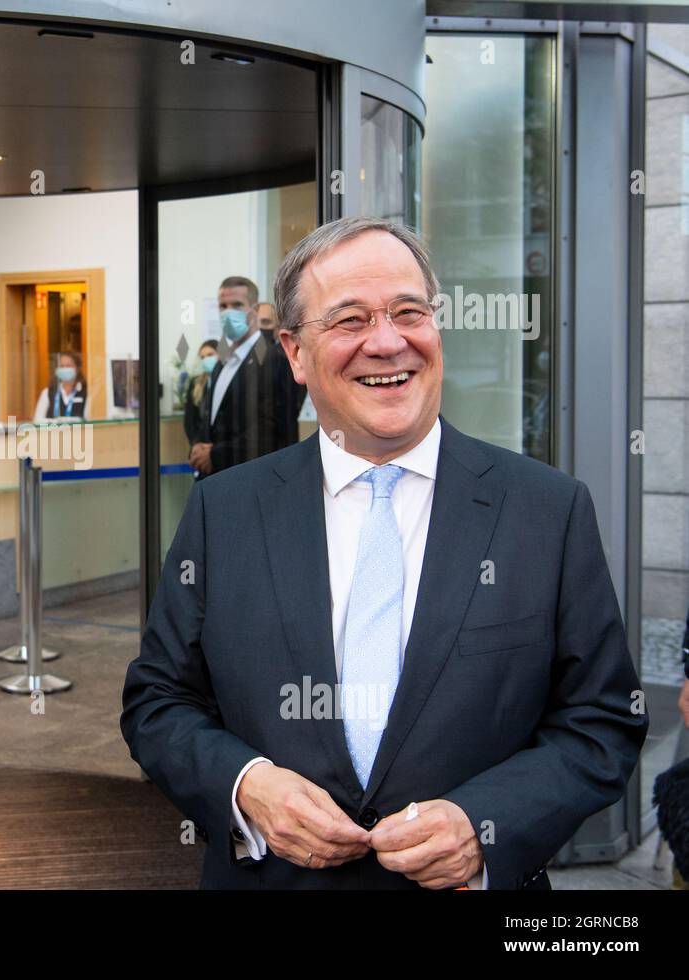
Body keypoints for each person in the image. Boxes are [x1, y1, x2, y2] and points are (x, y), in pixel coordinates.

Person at [122, 216, 648, 889]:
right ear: (295, 354)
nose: (388, 341)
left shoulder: (547, 511)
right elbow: (156, 701)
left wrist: (484, 824)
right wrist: (246, 786)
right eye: (349, 320)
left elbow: (602, 720)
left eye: (409, 312)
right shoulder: (225, 511)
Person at [190, 280, 303, 477]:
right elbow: (212, 418)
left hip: (252, 480)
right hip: (214, 480)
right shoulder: (221, 363)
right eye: (223, 306)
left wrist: (215, 455)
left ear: (255, 309)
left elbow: (272, 429)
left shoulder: (274, 359)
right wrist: (198, 446)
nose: (228, 313)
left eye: (237, 305)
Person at [183, 340, 219, 447]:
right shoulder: (195, 383)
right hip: (200, 445)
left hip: (221, 447)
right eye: (202, 357)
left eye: (210, 355)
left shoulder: (229, 381)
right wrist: (196, 444)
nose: (206, 360)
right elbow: (189, 421)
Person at [33, 350, 87, 420]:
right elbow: (37, 420)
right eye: (61, 366)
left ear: (77, 368)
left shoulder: (86, 393)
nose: (64, 369)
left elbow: (90, 422)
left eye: (68, 366)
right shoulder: (47, 392)